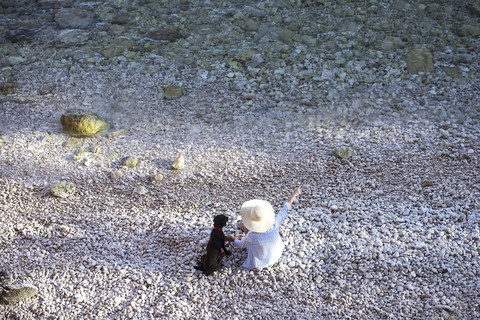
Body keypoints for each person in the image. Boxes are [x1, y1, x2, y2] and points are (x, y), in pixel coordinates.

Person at [225, 187, 301, 270]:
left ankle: (244, 227)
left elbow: (241, 245)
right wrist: (294, 194)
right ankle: (244, 227)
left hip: (260, 262)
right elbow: (285, 209)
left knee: (245, 230)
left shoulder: (252, 235)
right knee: (246, 229)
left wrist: (232, 239)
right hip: (276, 255)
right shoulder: (274, 223)